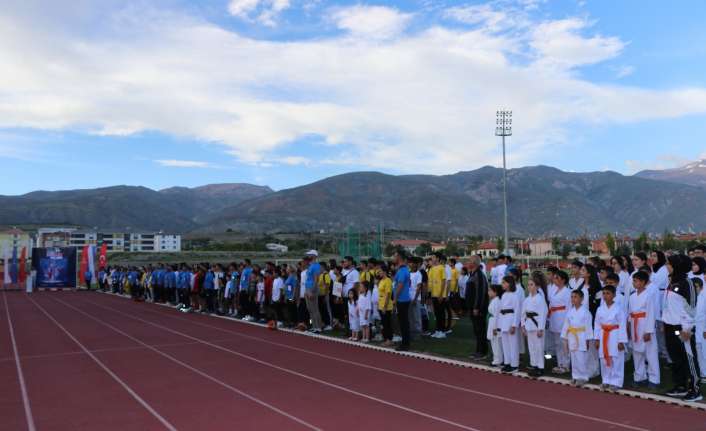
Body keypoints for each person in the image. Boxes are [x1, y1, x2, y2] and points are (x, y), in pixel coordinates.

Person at [663, 254, 701, 401]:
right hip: (669, 326)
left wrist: (687, 329)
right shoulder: (671, 281)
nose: (666, 266)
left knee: (688, 357)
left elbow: (691, 309)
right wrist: (665, 322)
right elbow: (670, 306)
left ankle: (695, 389)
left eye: (669, 263)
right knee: (676, 357)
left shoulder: (687, 283)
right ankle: (680, 386)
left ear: (677, 266)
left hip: (681, 328)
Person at [629, 270, 660, 388]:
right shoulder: (632, 296)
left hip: (645, 325)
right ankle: (639, 377)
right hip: (634, 325)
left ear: (643, 282)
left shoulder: (649, 295)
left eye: (636, 281)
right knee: (637, 353)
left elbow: (651, 314)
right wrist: (628, 327)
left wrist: (648, 331)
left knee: (650, 353)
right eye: (633, 281)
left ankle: (654, 379)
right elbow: (629, 313)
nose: (633, 283)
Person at [594, 284, 628, 392]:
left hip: (615, 334)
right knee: (604, 358)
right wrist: (597, 339)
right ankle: (606, 380)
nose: (605, 295)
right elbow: (597, 325)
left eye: (608, 293)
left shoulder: (618, 309)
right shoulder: (600, 309)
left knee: (616, 358)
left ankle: (616, 382)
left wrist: (621, 341)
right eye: (603, 293)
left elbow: (622, 325)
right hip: (603, 334)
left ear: (614, 295)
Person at [561, 289, 594, 387]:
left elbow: (588, 327)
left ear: (582, 299)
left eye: (575, 297)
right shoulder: (570, 312)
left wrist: (588, 340)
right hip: (572, 336)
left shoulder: (586, 312)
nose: (573, 299)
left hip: (582, 337)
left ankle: (583, 377)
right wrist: (565, 337)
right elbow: (566, 325)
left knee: (581, 358)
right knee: (574, 358)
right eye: (572, 297)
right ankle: (575, 376)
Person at [522, 273, 548, 377]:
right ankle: (534, 365)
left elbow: (543, 314)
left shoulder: (540, 299)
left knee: (539, 347)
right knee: (531, 347)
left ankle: (540, 367)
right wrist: (523, 326)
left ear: (537, 286)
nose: (529, 287)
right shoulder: (527, 299)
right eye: (528, 285)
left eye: (531, 284)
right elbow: (522, 314)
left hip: (537, 326)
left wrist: (541, 328)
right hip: (529, 325)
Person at [467, 255, 489, 359]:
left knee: (480, 330)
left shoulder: (479, 275)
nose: (467, 263)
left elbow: (480, 293)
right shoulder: (473, 274)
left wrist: (476, 307)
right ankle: (478, 350)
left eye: (469, 261)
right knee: (477, 330)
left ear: (474, 263)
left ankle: (482, 352)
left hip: (478, 308)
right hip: (473, 307)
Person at [549, 271, 572, 374]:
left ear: (563, 280)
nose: (554, 280)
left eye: (557, 278)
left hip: (562, 317)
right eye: (554, 278)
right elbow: (551, 304)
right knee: (557, 343)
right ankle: (560, 364)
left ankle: (566, 365)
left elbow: (569, 308)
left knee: (564, 343)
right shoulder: (554, 290)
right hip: (554, 317)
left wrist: (567, 322)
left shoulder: (567, 292)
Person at [499, 275, 521, 373]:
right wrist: (500, 324)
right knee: (505, 344)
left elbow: (517, 311)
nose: (502, 284)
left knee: (513, 344)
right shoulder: (503, 295)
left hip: (511, 320)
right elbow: (501, 310)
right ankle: (507, 363)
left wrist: (514, 325)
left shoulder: (514, 296)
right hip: (503, 321)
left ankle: (514, 365)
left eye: (504, 282)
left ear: (510, 283)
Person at [393, 251, 412, 351]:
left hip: (402, 300)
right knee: (403, 322)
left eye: (395, 256)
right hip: (403, 299)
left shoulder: (403, 271)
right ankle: (405, 342)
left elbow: (400, 285)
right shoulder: (402, 270)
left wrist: (395, 299)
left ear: (399, 257)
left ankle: (405, 344)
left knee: (403, 322)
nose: (393, 258)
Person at [428, 252, 447, 338]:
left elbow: (443, 282)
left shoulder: (441, 268)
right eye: (431, 257)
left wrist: (440, 295)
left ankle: (442, 331)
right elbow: (430, 282)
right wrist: (430, 294)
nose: (432, 258)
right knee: (436, 313)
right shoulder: (432, 268)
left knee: (441, 313)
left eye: (433, 257)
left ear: (438, 258)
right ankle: (438, 330)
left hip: (440, 295)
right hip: (433, 294)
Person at [487, 284, 503, 367]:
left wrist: (495, 328)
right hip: (492, 322)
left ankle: (498, 360)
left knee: (496, 342)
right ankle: (497, 359)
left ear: (495, 292)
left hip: (495, 323)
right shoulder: (494, 300)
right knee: (494, 342)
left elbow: (497, 315)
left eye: (490, 290)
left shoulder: (497, 301)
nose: (488, 292)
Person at [377, 268, 394, 347]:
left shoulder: (388, 280)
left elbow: (388, 295)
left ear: (384, 272)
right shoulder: (381, 281)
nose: (379, 273)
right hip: (380, 304)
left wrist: (384, 307)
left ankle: (389, 340)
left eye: (380, 271)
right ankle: (386, 338)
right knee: (384, 323)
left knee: (387, 323)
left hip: (386, 306)